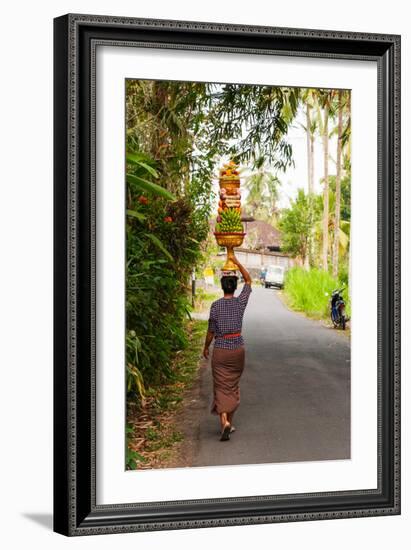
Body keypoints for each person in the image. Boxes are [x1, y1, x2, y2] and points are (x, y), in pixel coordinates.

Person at [202, 255, 252, 441]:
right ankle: (228, 423)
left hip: (221, 350)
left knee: (221, 385)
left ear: (223, 286)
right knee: (232, 385)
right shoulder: (240, 303)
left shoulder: (215, 306)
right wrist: (237, 263)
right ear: (234, 287)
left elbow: (211, 331)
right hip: (238, 349)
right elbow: (248, 280)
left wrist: (206, 347)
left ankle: (224, 421)